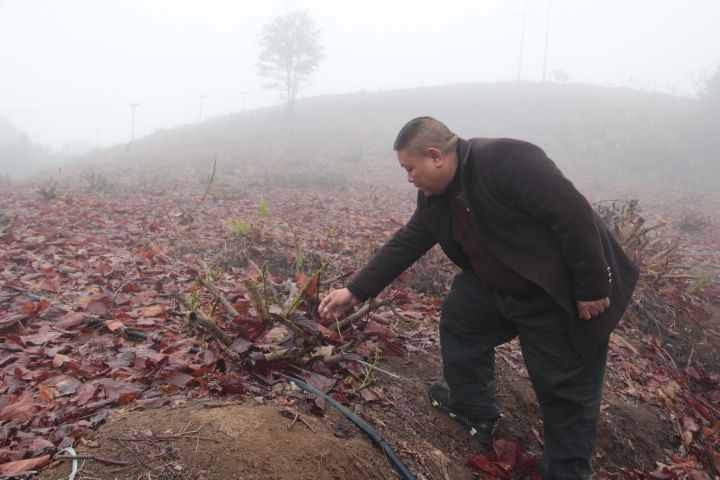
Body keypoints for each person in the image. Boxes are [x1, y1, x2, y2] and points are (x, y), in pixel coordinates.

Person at [319, 117, 639, 480]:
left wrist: (592, 286)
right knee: (461, 321)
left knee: (565, 393)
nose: (409, 178)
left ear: (435, 156)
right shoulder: (435, 198)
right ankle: (474, 410)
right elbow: (409, 241)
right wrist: (355, 290)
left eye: (410, 168)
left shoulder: (507, 159)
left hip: (560, 291)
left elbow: (573, 214)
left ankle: (565, 472)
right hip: (499, 285)